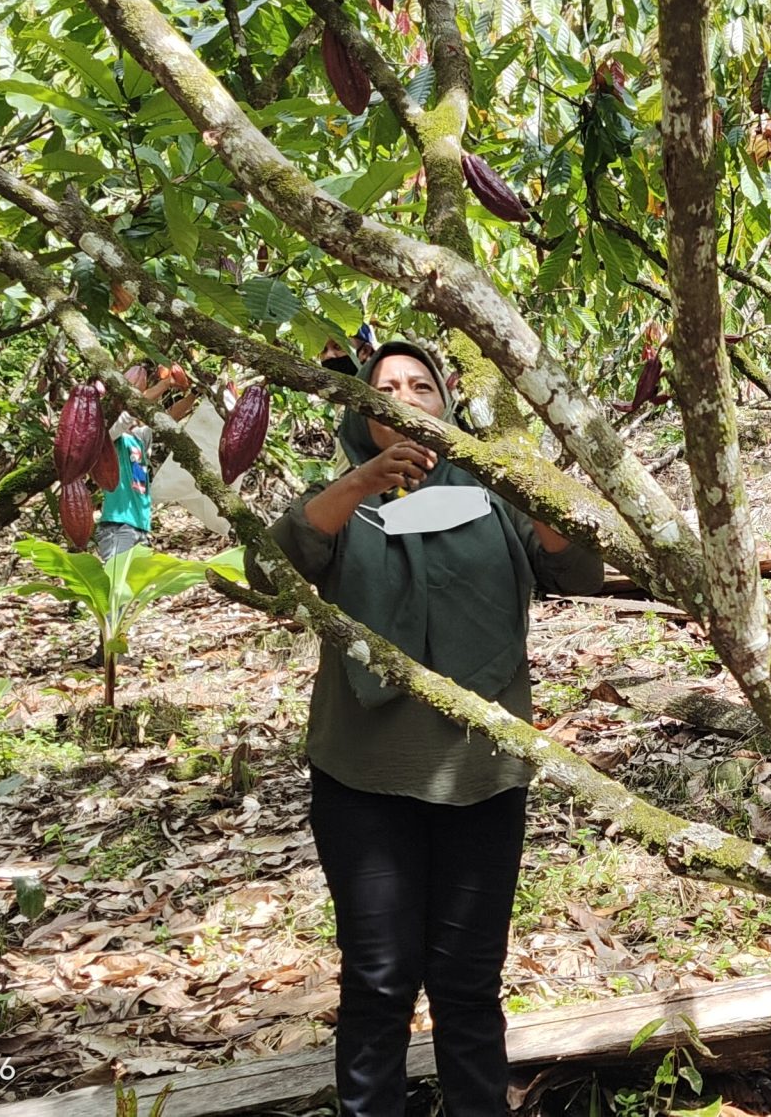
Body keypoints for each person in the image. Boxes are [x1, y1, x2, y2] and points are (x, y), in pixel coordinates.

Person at [254, 341, 604, 1117]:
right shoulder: (343, 499)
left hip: (483, 774)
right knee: (378, 979)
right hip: (364, 777)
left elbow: (579, 572)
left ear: (447, 404)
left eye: (422, 386)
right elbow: (270, 568)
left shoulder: (492, 489)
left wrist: (531, 487)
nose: (406, 397)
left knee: (468, 983)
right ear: (362, 411)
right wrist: (361, 483)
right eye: (387, 388)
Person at [92, 363, 198, 561]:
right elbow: (129, 411)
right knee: (117, 585)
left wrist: (194, 394)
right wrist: (166, 383)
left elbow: (169, 418)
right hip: (118, 525)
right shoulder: (108, 437)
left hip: (140, 525)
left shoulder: (139, 438)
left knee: (137, 586)